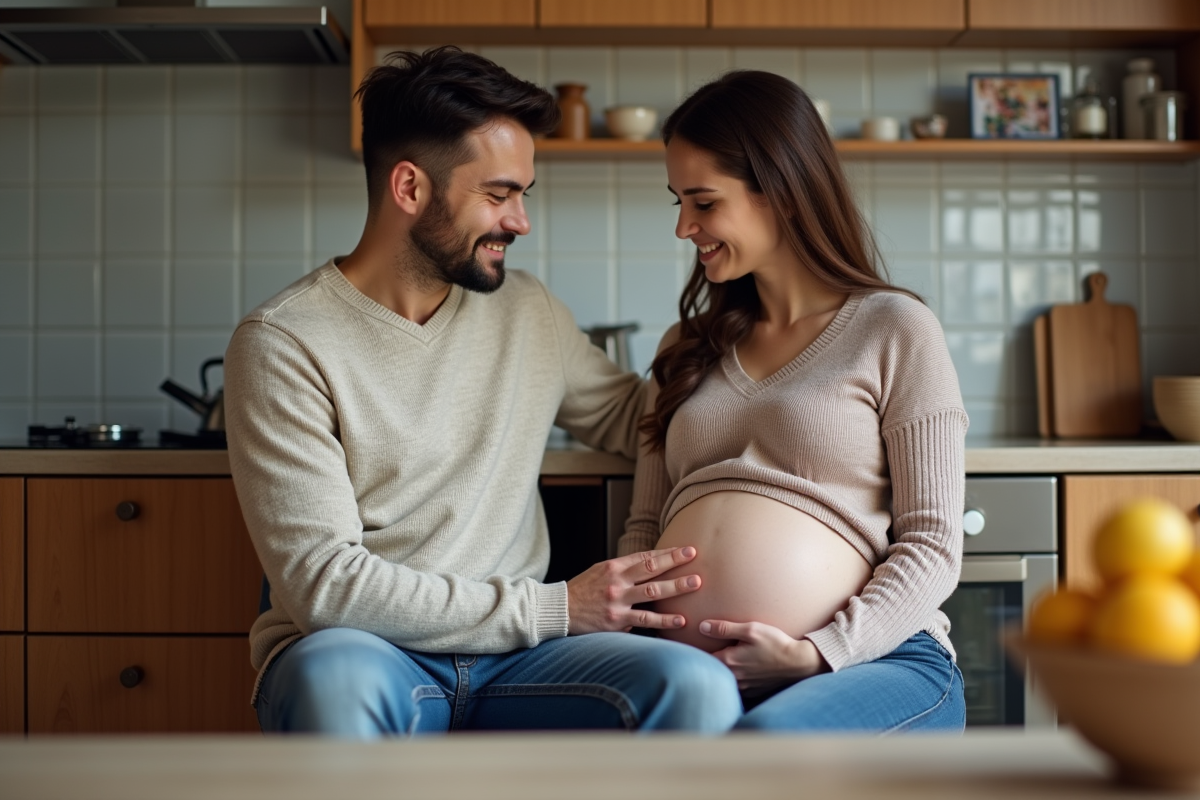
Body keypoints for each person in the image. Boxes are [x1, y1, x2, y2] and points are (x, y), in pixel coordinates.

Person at [224, 46, 741, 738]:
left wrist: (776, 357)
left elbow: (641, 418)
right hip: (370, 650)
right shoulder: (284, 341)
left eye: (523, 194)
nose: (520, 221)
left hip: (522, 658)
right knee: (335, 683)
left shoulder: (527, 310)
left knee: (696, 686)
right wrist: (557, 609)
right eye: (498, 196)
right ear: (410, 188)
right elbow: (325, 586)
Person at [617, 70, 969, 733]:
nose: (685, 227)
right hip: (692, 674)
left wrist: (817, 653)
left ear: (779, 190)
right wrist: (647, 648)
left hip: (871, 662)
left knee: (768, 744)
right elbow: (644, 528)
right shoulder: (685, 347)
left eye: (703, 202)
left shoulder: (895, 328)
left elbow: (932, 545)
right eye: (678, 203)